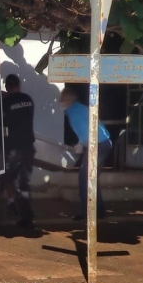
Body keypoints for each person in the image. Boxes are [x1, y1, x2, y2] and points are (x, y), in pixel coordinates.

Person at [0, 74, 35, 228]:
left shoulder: (6, 102)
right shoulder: (28, 100)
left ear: (6, 86)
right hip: (28, 147)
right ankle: (20, 212)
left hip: (13, 148)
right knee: (22, 182)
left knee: (5, 179)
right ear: (19, 84)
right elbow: (17, 105)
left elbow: (0, 119)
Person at [59, 86, 111, 220]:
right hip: (102, 142)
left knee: (85, 178)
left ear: (68, 99)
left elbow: (85, 130)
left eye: (63, 99)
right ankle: (99, 211)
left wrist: (81, 144)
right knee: (91, 178)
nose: (61, 102)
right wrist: (81, 144)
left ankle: (88, 213)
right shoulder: (78, 108)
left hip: (97, 144)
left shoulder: (74, 111)